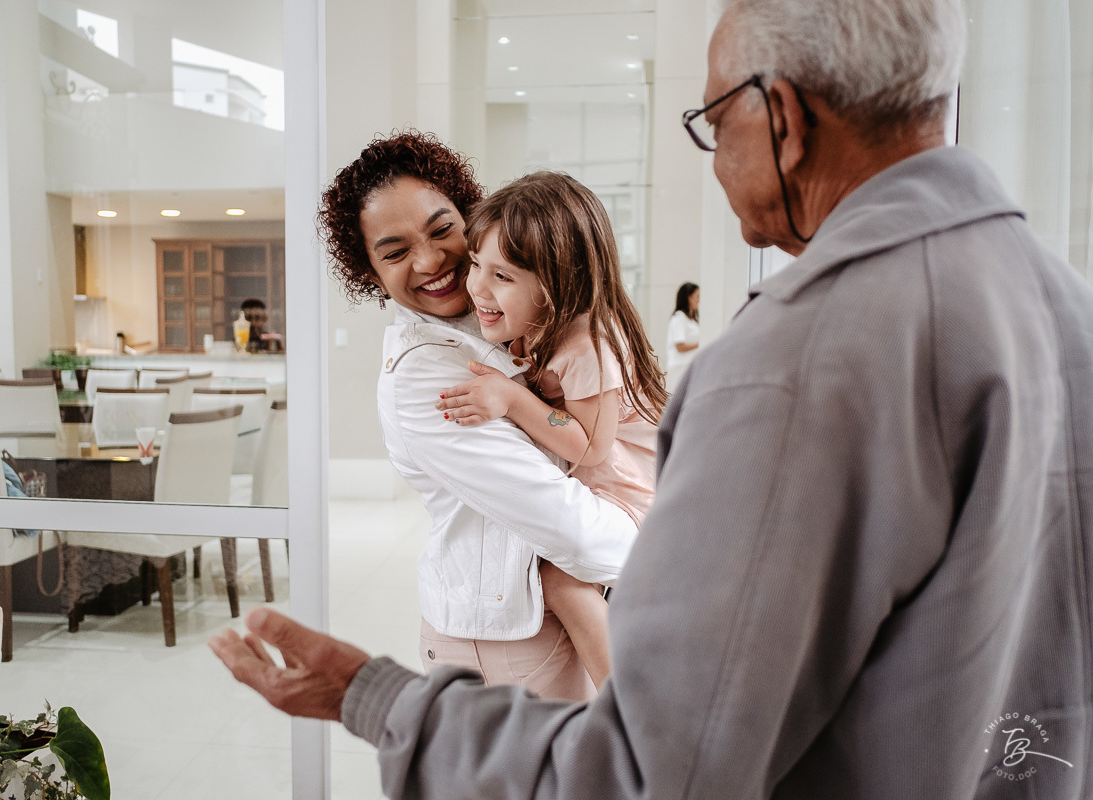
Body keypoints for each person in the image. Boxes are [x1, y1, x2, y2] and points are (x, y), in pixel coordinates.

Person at [211, 1, 1093, 797]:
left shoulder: (784, 365)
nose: (712, 161)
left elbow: (654, 767)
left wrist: (374, 695)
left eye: (713, 120)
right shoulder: (1065, 308)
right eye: (397, 251)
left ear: (781, 118)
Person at [314, 132, 638, 701]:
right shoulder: (424, 376)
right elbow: (571, 529)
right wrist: (665, 542)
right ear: (368, 272)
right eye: (394, 252)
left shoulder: (518, 323)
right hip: (507, 645)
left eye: (442, 230)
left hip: (551, 624)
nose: (432, 261)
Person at [436, 171, 666, 688]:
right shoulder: (534, 326)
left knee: (560, 582)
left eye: (502, 276)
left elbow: (588, 447)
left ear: (560, 282)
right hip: (605, 479)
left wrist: (512, 397)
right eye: (476, 264)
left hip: (631, 487)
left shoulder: (588, 344)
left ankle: (625, 705)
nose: (476, 286)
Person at [665, 281, 700, 386]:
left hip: (687, 367)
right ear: (689, 297)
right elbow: (680, 346)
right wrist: (702, 343)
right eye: (697, 296)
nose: (699, 300)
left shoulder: (691, 319)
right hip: (679, 368)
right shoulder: (679, 318)